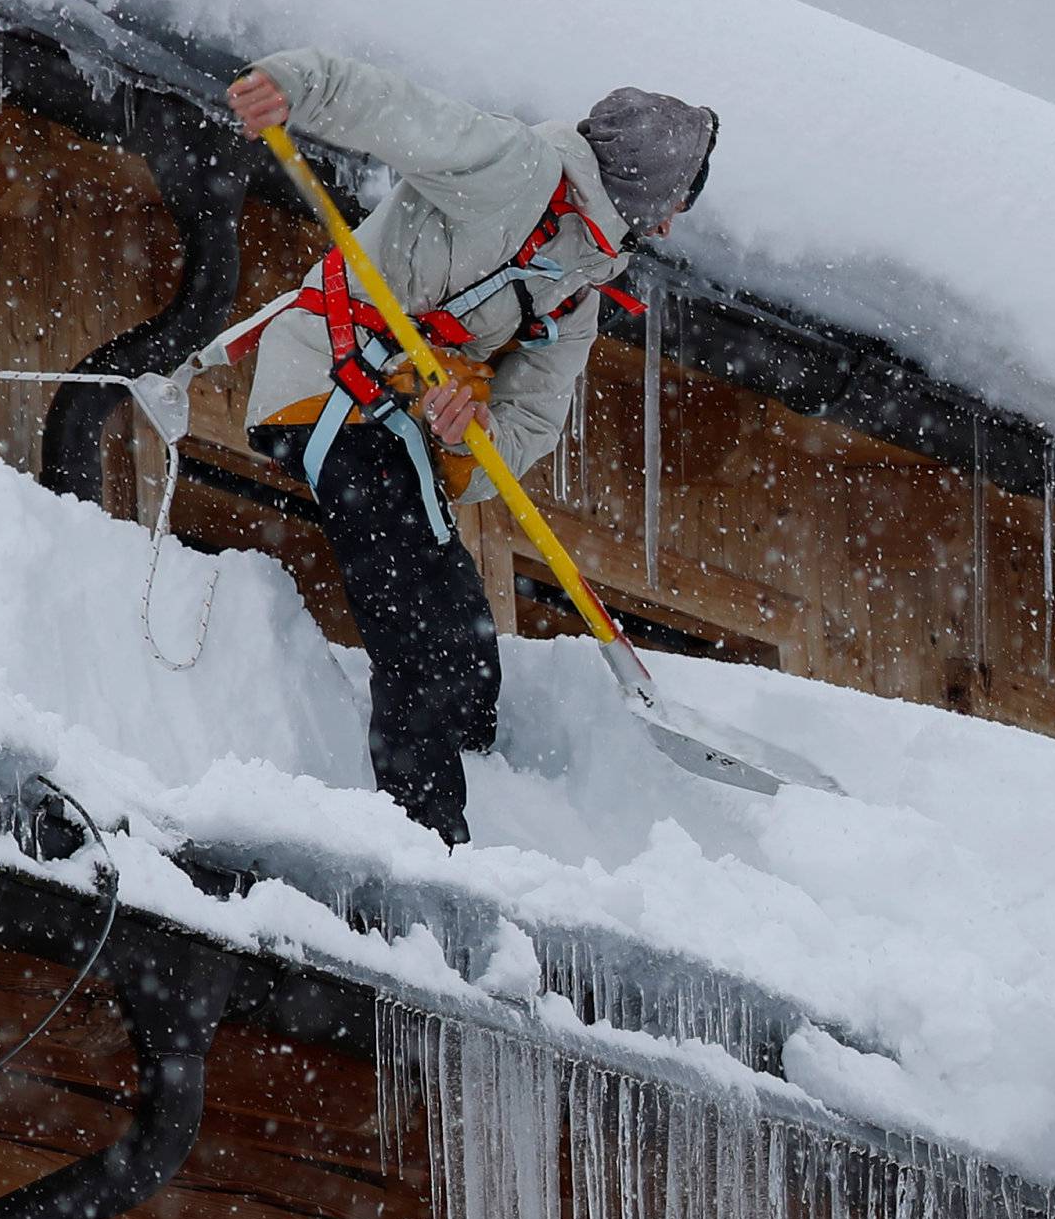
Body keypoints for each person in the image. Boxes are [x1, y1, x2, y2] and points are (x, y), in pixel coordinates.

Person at [226, 53, 718, 846]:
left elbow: (526, 429)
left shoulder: (581, 295)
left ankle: (480, 772)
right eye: (673, 205)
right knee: (417, 621)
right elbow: (395, 107)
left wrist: (471, 439)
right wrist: (298, 87)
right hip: (326, 376)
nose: (667, 227)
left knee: (464, 640)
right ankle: (421, 833)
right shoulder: (514, 170)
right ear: (642, 192)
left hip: (396, 429)